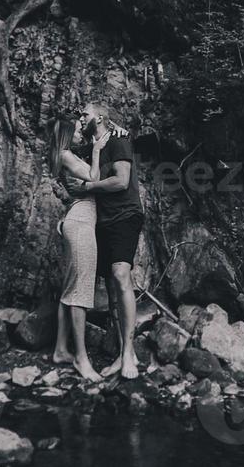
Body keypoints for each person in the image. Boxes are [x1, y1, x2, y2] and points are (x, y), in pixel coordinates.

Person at [65, 102, 143, 379]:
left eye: (84, 114)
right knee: (110, 289)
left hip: (125, 214)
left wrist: (88, 187)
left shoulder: (119, 139)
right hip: (102, 221)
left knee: (121, 274)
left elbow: (121, 182)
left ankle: (128, 356)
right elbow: (64, 144)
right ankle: (125, 353)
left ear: (99, 116)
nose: (81, 117)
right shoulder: (89, 148)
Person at [48, 118, 104, 381]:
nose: (83, 133)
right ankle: (82, 359)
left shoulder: (63, 156)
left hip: (76, 218)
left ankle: (60, 349)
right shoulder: (66, 155)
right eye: (79, 131)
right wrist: (96, 150)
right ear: (68, 134)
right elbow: (95, 178)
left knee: (70, 288)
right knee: (80, 290)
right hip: (81, 222)